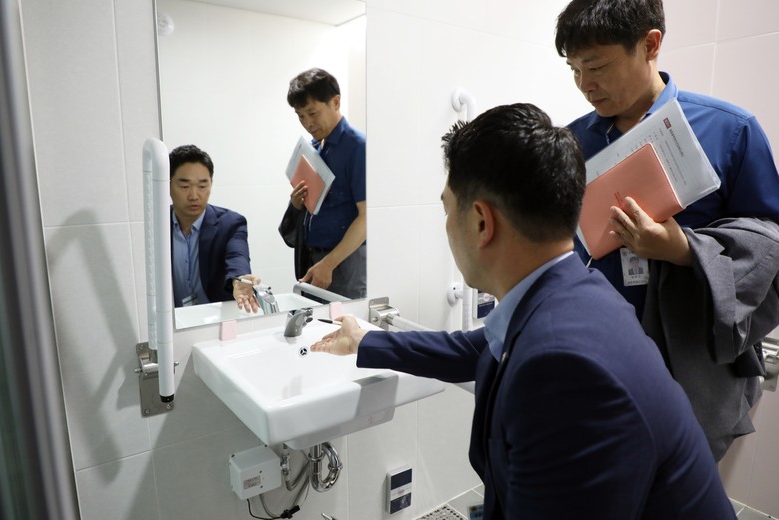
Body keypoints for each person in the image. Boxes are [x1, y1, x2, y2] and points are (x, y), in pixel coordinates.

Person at [313, 104, 734, 519]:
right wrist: (364, 340)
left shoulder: (561, 367)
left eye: (447, 209)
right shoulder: (575, 293)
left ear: (482, 222)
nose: (446, 225)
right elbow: (474, 348)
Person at [556, 0, 779, 461]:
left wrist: (682, 249)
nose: (584, 85)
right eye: (574, 69)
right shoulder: (572, 143)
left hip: (691, 370)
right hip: (597, 359)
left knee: (677, 488)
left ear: (650, 44)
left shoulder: (730, 131)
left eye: (596, 66)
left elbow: (770, 246)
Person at [279, 68, 366, 299]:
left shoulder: (358, 146)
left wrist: (329, 263)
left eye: (312, 113)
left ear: (335, 102)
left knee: (345, 321)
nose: (307, 123)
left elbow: (367, 218)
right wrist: (297, 203)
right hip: (314, 259)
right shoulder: (315, 148)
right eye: (300, 116)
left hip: (345, 262)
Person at [169, 144, 260, 312]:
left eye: (202, 186)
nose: (194, 196)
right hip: (172, 321)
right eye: (184, 187)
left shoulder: (230, 224)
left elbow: (237, 256)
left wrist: (239, 279)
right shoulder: (155, 226)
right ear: (168, 185)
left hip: (215, 320)